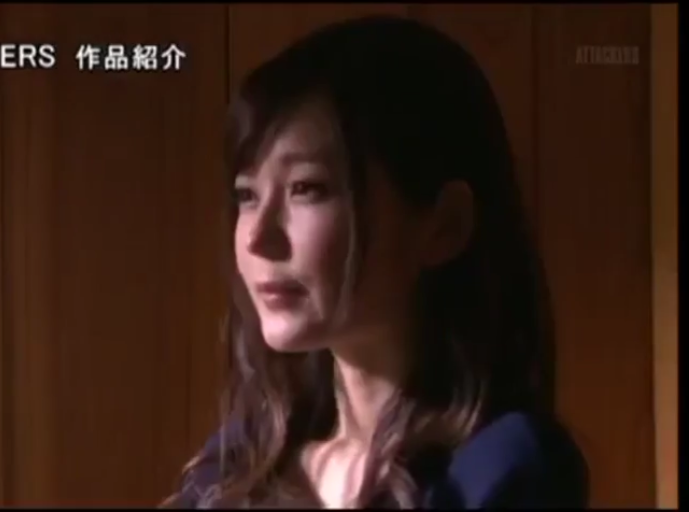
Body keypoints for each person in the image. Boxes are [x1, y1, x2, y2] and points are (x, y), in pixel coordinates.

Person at [164, 14, 589, 509]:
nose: (258, 237)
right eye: (247, 195)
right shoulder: (234, 467)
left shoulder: (501, 468)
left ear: (445, 226)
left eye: (307, 189)